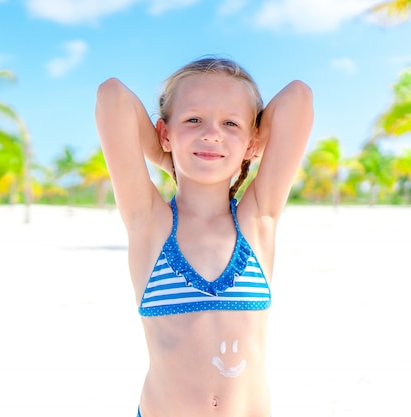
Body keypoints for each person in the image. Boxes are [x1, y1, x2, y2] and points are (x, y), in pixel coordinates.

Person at [95, 57, 313, 417]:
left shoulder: (258, 219)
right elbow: (111, 97)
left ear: (251, 143)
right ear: (165, 133)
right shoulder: (150, 223)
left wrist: (240, 148)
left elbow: (299, 99)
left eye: (230, 123)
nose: (211, 133)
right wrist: (169, 158)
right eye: (193, 120)